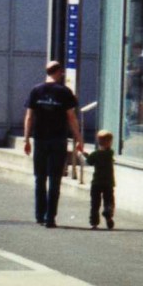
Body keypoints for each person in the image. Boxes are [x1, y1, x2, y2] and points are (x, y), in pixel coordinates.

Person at [23, 60, 84, 228]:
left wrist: (26, 139)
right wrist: (79, 139)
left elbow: (29, 117)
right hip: (58, 140)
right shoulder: (65, 92)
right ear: (58, 72)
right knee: (55, 179)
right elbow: (71, 117)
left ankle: (39, 215)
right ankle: (51, 217)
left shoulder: (36, 91)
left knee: (40, 178)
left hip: (40, 139)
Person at [85, 129, 116, 230]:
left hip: (96, 182)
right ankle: (108, 212)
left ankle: (94, 222)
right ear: (110, 143)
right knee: (109, 200)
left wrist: (81, 153)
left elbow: (88, 162)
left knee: (95, 203)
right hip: (108, 182)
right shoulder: (110, 153)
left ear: (98, 141)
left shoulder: (95, 154)